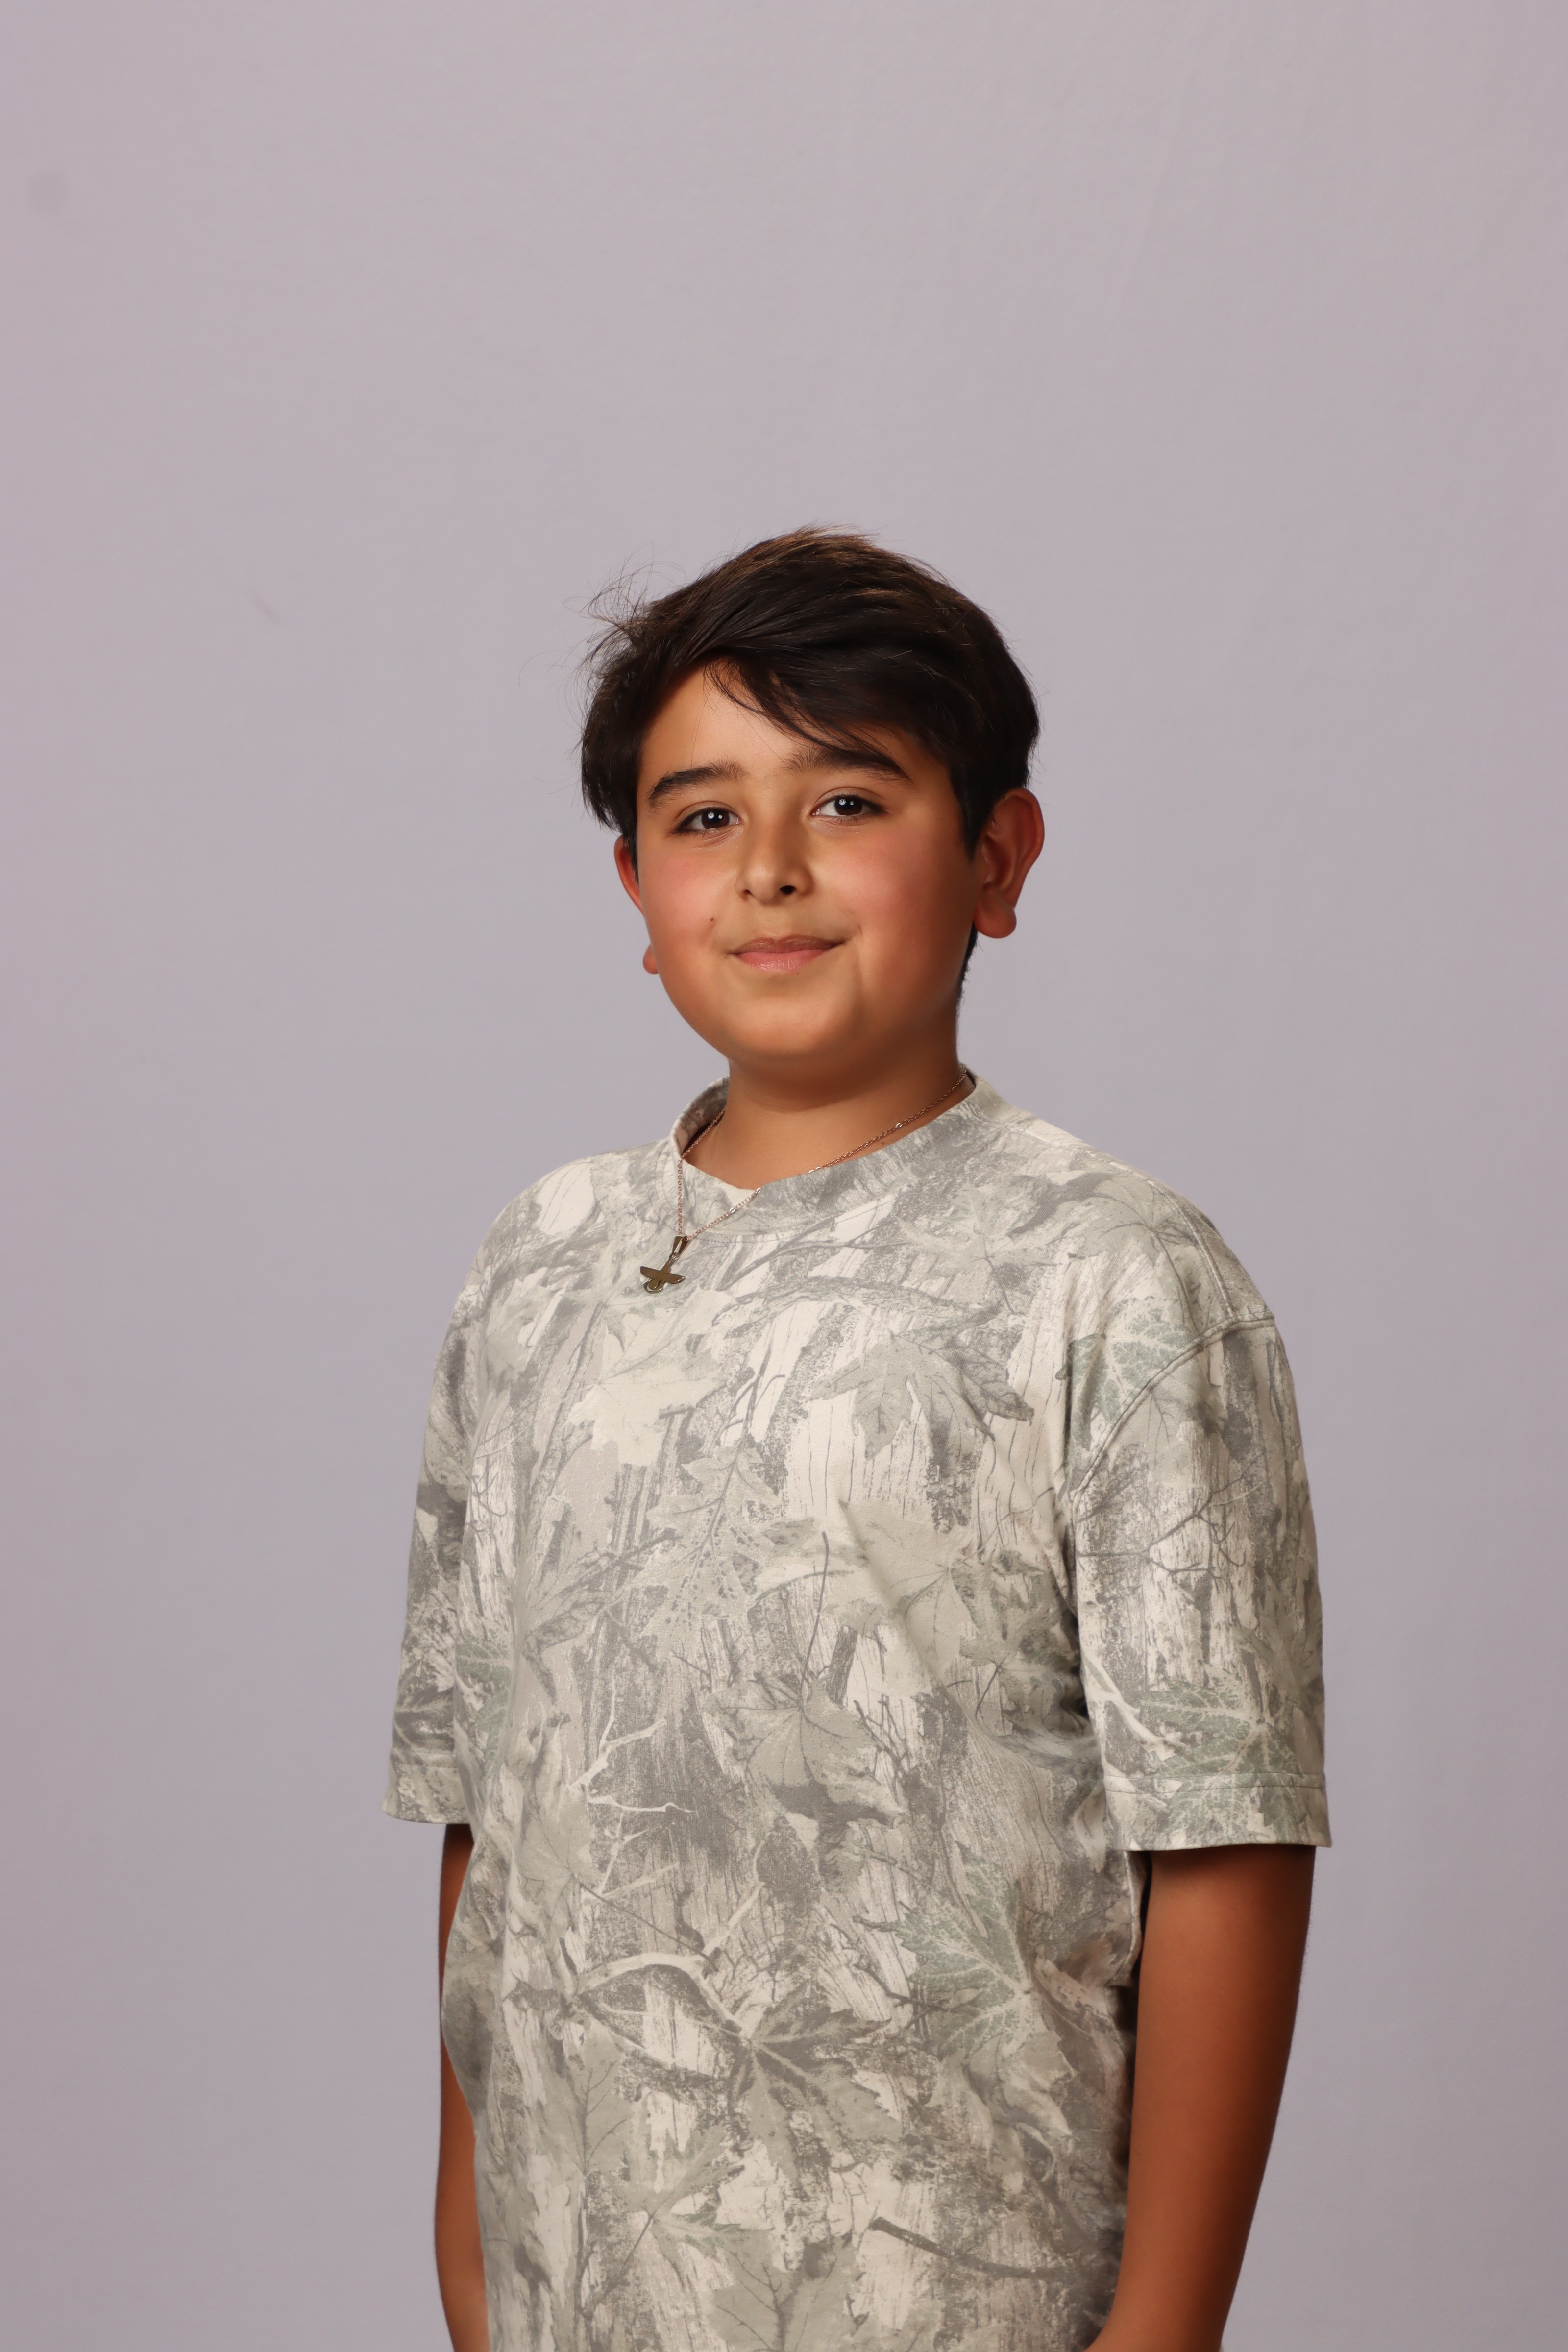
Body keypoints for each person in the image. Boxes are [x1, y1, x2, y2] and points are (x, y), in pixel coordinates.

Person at [384, 528, 1329, 2352]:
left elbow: (1226, 1842)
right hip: (582, 2275)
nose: (773, 869)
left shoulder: (1115, 1278)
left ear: (997, 858)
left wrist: (1164, 2334)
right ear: (636, 884)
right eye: (704, 817)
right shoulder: (540, 1263)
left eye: (847, 799)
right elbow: (492, 1800)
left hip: (954, 2278)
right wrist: (472, 2251)